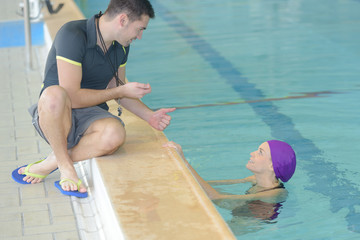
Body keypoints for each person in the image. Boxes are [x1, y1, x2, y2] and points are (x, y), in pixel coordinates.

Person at [12, 0, 175, 198]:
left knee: (115, 134)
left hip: (90, 116)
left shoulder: (121, 47)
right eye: (139, 29)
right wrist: (119, 91)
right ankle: (65, 168)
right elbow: (72, 96)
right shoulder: (73, 34)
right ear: (123, 20)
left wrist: (150, 116)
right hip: (54, 115)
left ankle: (52, 161)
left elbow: (116, 87)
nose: (139, 36)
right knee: (54, 94)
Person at [163, 140, 296, 220]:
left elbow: (216, 197)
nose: (252, 153)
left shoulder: (274, 193)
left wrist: (185, 162)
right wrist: (182, 181)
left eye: (260, 152)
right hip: (243, 208)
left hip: (251, 221)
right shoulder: (254, 179)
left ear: (272, 166)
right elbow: (216, 185)